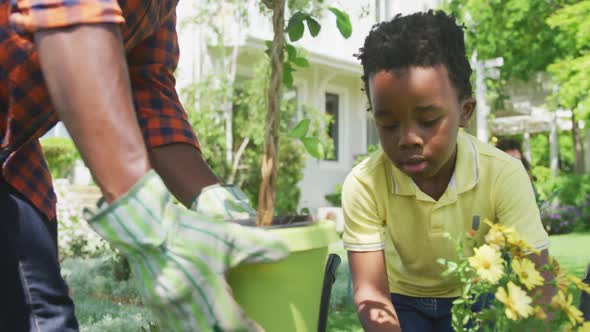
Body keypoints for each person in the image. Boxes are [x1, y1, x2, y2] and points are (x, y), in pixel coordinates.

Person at [1, 0, 285, 331]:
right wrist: (152, 230)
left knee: (47, 318)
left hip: (14, 156)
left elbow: (144, 85)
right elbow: (69, 18)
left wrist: (212, 197)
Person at [343, 10, 553, 332]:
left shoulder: (503, 174)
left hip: (477, 297)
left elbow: (539, 282)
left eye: (427, 121)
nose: (408, 139)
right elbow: (371, 291)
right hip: (401, 302)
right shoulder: (365, 183)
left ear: (464, 111)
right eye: (388, 124)